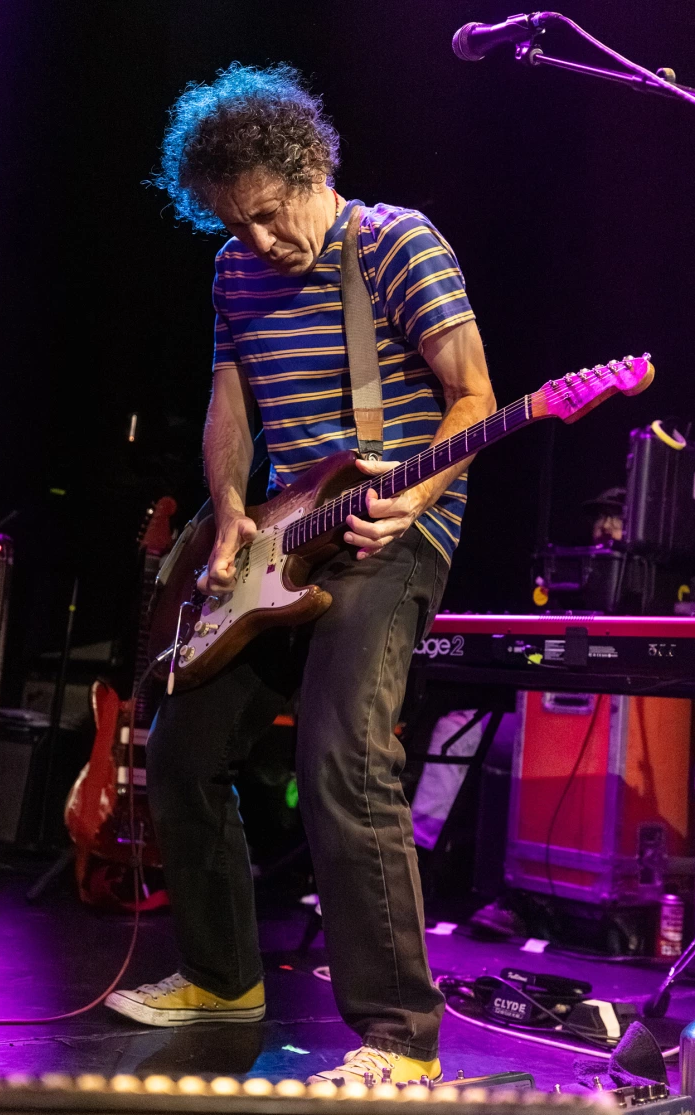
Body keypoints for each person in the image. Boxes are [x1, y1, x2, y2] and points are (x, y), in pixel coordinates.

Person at [105, 62, 496, 1086]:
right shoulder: (235, 274)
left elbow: (475, 397)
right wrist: (231, 508)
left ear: (311, 166)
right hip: (280, 537)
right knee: (183, 745)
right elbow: (229, 403)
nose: (261, 243)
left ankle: (401, 1037)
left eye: (272, 217)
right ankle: (222, 976)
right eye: (237, 225)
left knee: (340, 749)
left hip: (395, 532)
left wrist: (411, 498)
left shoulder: (399, 243)